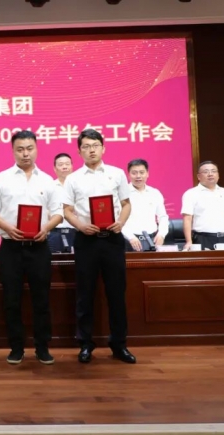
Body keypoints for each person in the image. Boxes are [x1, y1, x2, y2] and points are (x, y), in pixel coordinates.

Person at [0, 130, 63, 365]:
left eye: (29, 148)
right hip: (11, 247)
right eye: (20, 149)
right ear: (13, 151)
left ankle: (42, 347)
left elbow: (58, 212)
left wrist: (46, 228)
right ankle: (16, 347)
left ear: (36, 149)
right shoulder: (2, 178)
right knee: (11, 300)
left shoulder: (47, 180)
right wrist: (6, 227)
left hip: (39, 247)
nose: (25, 153)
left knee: (42, 299)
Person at [62, 129, 136, 364]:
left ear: (103, 148)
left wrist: (121, 222)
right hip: (86, 241)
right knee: (85, 294)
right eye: (86, 146)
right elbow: (66, 210)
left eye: (95, 145)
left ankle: (119, 345)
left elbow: (126, 204)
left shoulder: (116, 174)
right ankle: (85, 344)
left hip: (112, 239)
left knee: (116, 294)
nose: (91, 150)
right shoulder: (73, 178)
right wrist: (81, 226)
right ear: (79, 151)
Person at [181, 161, 224, 251]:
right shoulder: (191, 194)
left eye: (213, 171)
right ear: (198, 176)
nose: (210, 174)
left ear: (218, 175)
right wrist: (189, 241)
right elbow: (187, 219)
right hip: (202, 238)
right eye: (206, 172)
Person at [121, 159, 169, 252]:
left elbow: (163, 217)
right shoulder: (123, 193)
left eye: (142, 172)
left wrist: (161, 234)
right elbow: (118, 219)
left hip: (152, 239)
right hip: (129, 240)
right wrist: (130, 237)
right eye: (134, 173)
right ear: (128, 175)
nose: (138, 176)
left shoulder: (155, 193)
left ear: (147, 174)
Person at [48, 153, 76, 254]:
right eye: (60, 164)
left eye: (67, 164)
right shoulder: (49, 186)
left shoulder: (79, 186)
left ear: (72, 166)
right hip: (54, 231)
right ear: (54, 169)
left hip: (76, 231)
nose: (64, 167)